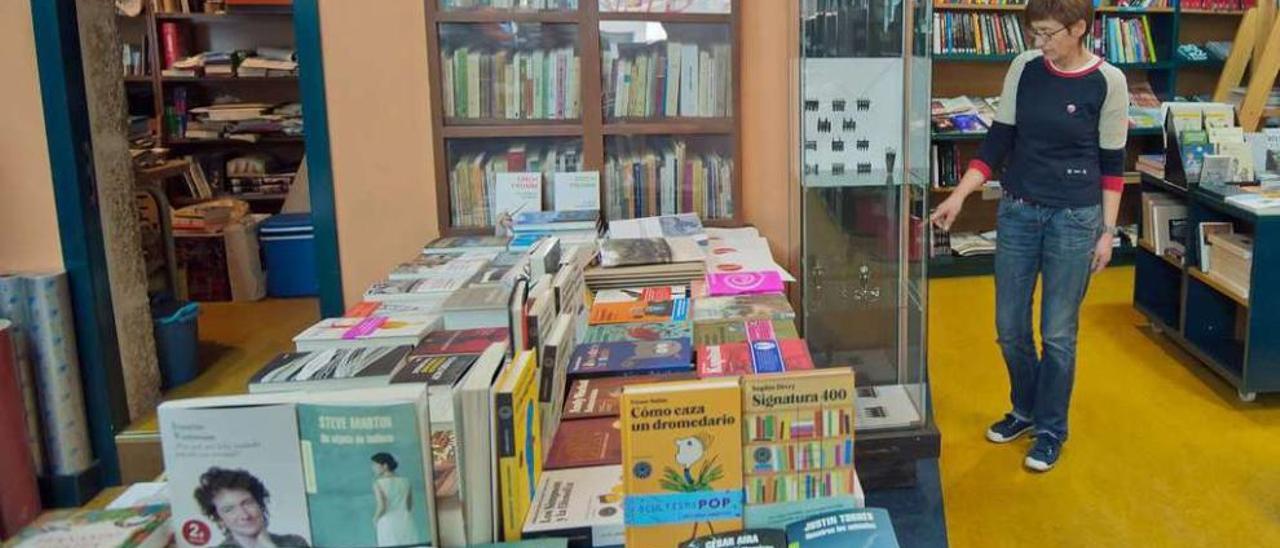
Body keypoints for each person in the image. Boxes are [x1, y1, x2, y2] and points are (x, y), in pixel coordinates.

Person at [930, 0, 1127, 472]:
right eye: (1034, 34)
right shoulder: (1025, 67)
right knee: (1009, 328)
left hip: (1075, 220)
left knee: (1058, 334)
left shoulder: (1109, 82)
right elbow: (997, 142)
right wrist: (959, 196)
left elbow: (1113, 168)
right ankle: (1025, 408)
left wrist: (1107, 232)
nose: (1039, 44)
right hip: (1018, 211)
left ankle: (1050, 428)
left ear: (1078, 28)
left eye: (1047, 34)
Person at [194, 468, 310, 547]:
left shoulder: (294, 543)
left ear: (260, 504)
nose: (244, 515)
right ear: (219, 520)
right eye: (229, 509)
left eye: (247, 503)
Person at [371, 452, 421, 546]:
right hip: (406, 521)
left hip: (387, 522)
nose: (373, 468)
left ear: (385, 465)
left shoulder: (378, 483)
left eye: (375, 465)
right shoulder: (406, 481)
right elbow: (409, 505)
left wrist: (375, 519)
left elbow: (382, 506)